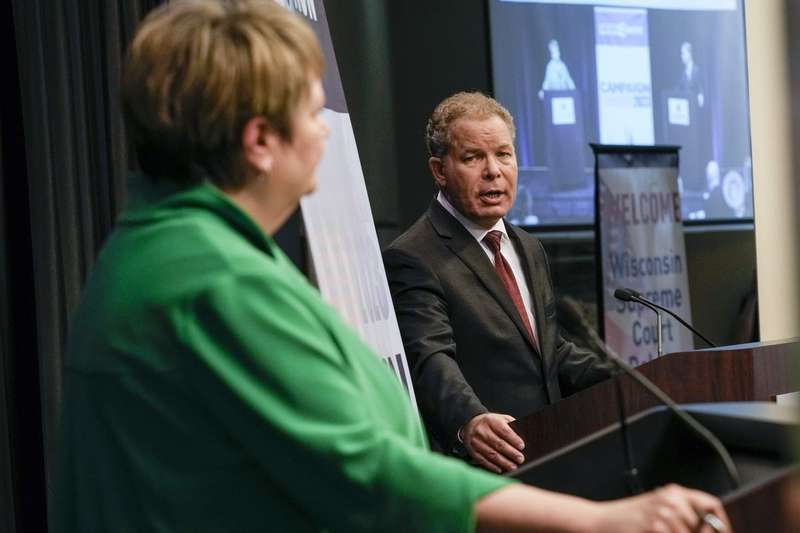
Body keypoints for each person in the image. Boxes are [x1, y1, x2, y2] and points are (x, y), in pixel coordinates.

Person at [54, 2, 730, 532]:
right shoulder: (216, 282)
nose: (326, 128)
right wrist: (600, 521)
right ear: (260, 141)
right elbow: (368, 469)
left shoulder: (173, 251)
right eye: (311, 111)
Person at [383, 92, 612, 473]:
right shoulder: (414, 256)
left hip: (553, 449)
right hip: (487, 465)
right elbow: (431, 358)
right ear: (439, 170)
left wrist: (635, 381)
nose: (493, 171)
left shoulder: (529, 247)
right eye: (473, 158)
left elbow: (549, 353)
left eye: (503, 155)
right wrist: (469, 420)